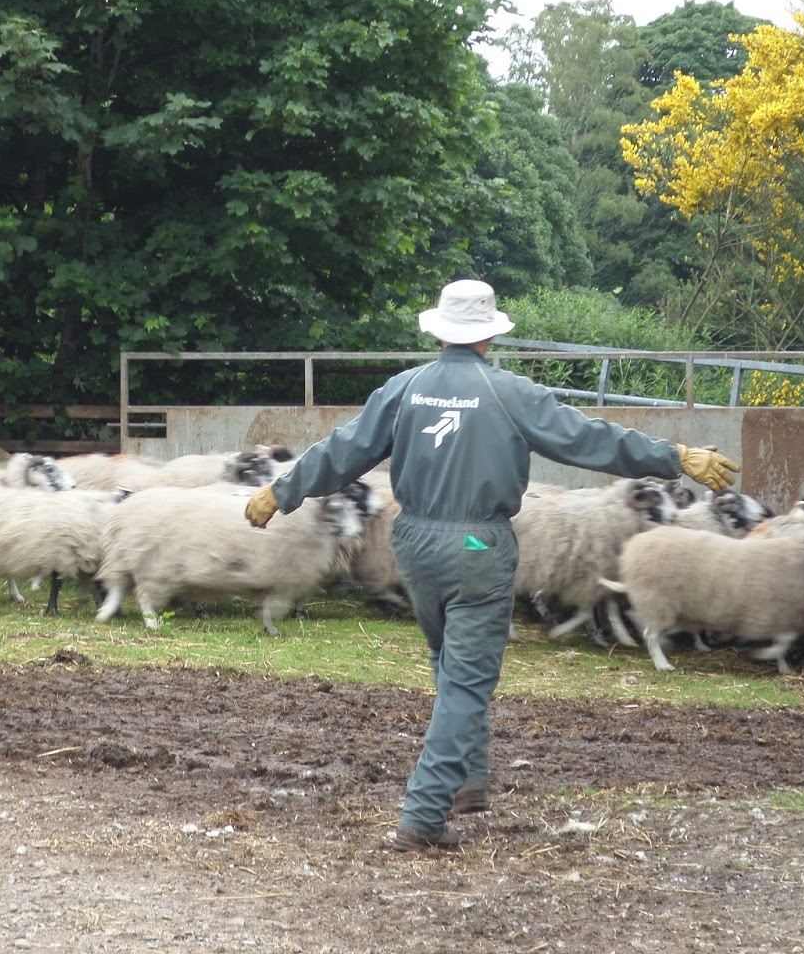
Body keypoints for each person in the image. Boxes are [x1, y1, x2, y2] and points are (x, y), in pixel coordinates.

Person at [243, 279, 739, 852]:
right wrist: (674, 456)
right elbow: (588, 440)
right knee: (468, 682)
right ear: (489, 335)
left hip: (414, 543)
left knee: (448, 659)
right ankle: (424, 815)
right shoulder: (508, 392)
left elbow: (342, 450)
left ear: (442, 331)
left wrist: (282, 491)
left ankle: (469, 780)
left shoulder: (405, 388)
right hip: (477, 544)